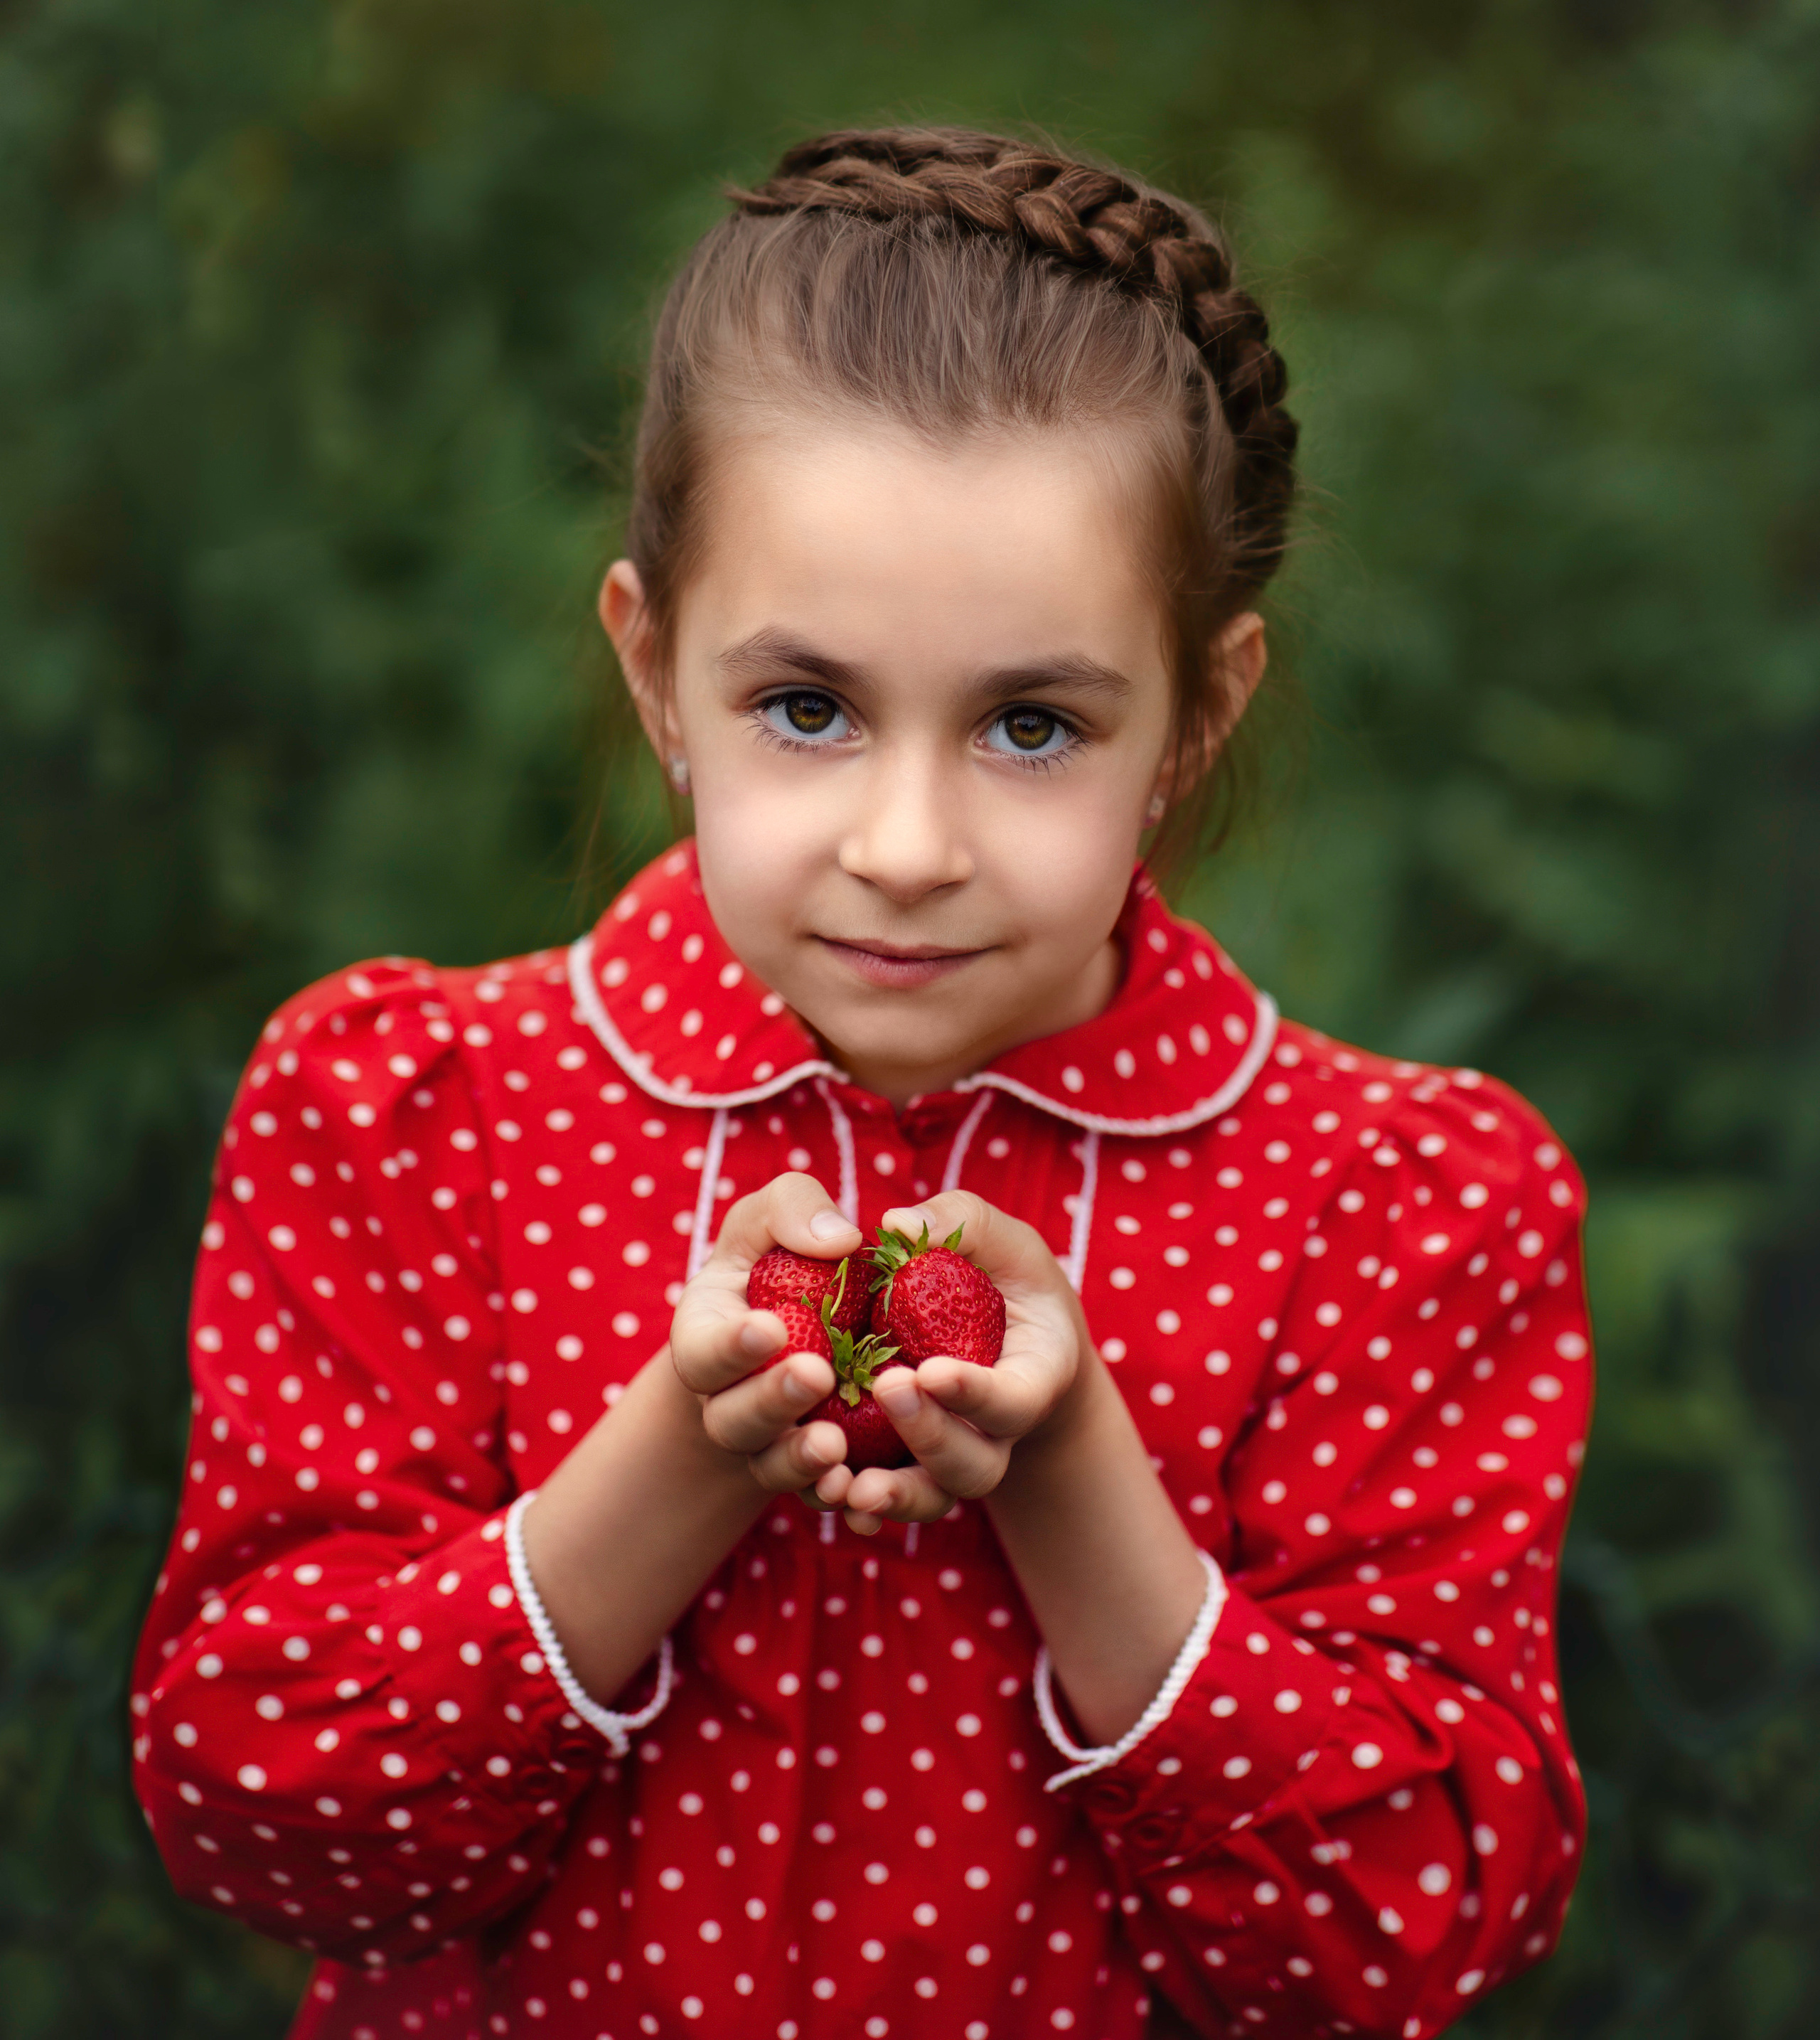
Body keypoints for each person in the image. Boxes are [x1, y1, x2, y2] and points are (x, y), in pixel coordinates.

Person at [131, 127, 1591, 2040]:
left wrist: (1079, 1481)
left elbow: (1401, 1940)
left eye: (1031, 724)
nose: (908, 844)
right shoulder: (415, 1114)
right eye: (805, 708)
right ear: (656, 673)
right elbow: (261, 1819)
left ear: (1198, 714)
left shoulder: (1394, 1205)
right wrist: (671, 1451)